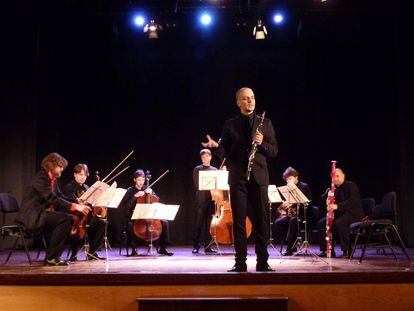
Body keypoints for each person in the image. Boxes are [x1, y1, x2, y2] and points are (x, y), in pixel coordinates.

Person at [202, 87, 278, 272]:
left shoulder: (265, 123)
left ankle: (262, 262)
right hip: (238, 178)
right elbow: (225, 153)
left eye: (252, 98)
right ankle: (240, 262)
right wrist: (215, 146)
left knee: (261, 220)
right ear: (238, 102)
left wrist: (262, 144)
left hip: (259, 177)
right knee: (239, 222)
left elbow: (274, 151)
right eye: (245, 99)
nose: (250, 101)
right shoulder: (230, 124)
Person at [15, 153, 91, 266]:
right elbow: (52, 199)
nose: (62, 169)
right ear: (51, 165)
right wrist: (76, 207)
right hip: (31, 217)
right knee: (64, 219)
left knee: (69, 219)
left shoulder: (53, 180)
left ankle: (54, 255)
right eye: (60, 166)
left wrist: (76, 202)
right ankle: (52, 257)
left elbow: (59, 196)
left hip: (41, 214)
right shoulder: (40, 178)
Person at [118, 169, 173, 256]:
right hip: (135, 217)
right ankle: (134, 249)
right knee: (130, 225)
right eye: (139, 180)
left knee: (165, 222)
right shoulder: (130, 191)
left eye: (143, 180)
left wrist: (152, 194)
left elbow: (157, 201)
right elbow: (125, 208)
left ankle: (163, 248)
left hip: (149, 217)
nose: (141, 182)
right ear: (134, 180)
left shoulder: (147, 189)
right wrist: (134, 196)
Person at [317, 168, 364, 258]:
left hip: (353, 214)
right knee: (321, 223)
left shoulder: (351, 185)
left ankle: (346, 250)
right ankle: (327, 250)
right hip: (342, 214)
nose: (336, 179)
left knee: (340, 223)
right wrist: (329, 203)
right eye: (334, 177)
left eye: (338, 176)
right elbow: (334, 206)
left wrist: (337, 206)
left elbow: (353, 201)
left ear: (343, 176)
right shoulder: (335, 190)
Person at [62, 163, 106, 261]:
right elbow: (68, 202)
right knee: (73, 224)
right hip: (74, 216)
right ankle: (74, 254)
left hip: (86, 216)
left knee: (102, 222)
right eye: (80, 174)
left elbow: (91, 204)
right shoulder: (69, 186)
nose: (83, 177)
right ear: (75, 175)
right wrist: (78, 201)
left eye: (85, 175)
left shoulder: (87, 187)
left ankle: (92, 252)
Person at [272, 167, 312, 256]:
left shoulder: (304, 186)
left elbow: (308, 204)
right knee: (278, 222)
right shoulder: (288, 189)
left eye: (290, 179)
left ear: (296, 177)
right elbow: (286, 205)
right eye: (287, 180)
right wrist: (282, 206)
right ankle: (291, 244)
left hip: (304, 215)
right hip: (293, 215)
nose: (288, 182)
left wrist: (293, 202)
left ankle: (289, 248)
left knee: (293, 221)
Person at [192, 149, 217, 254]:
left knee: (209, 224)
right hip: (201, 199)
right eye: (203, 157)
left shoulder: (215, 170)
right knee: (199, 223)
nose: (205, 158)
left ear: (210, 157)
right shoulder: (197, 169)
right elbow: (197, 184)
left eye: (207, 156)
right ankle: (196, 246)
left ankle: (208, 247)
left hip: (212, 198)